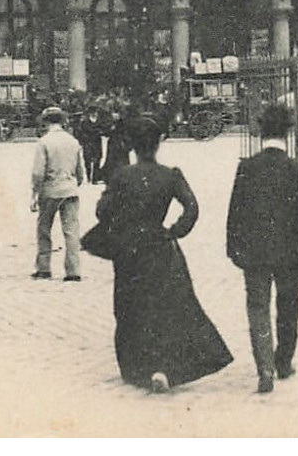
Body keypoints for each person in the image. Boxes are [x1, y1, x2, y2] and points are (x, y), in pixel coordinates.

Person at [95, 116, 232, 393]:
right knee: (164, 306)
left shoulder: (121, 176)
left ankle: (135, 366)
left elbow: (102, 211)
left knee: (129, 304)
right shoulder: (170, 175)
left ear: (133, 145)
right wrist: (174, 231)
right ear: (157, 144)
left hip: (130, 249)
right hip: (159, 246)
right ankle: (164, 365)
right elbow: (192, 207)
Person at [226, 106, 298, 394]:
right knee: (288, 308)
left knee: (258, 308)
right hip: (289, 253)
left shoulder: (247, 168)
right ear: (287, 132)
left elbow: (235, 213)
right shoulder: (297, 170)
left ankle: (264, 367)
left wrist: (235, 250)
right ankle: (283, 361)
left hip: (255, 253)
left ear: (261, 131)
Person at [30, 105, 86, 281]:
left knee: (44, 228)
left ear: (46, 122)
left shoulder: (44, 142)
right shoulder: (73, 141)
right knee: (71, 231)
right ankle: (73, 271)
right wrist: (73, 182)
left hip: (50, 191)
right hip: (70, 190)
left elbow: (38, 172)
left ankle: (44, 268)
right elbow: (80, 172)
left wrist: (34, 193)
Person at [77, 102, 105, 184]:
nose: (95, 113)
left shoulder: (99, 121)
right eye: (93, 111)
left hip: (97, 142)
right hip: (88, 142)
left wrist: (100, 132)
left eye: (96, 111)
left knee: (98, 159)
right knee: (87, 160)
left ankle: (95, 178)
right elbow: (81, 132)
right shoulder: (84, 121)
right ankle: (89, 176)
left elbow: (103, 129)